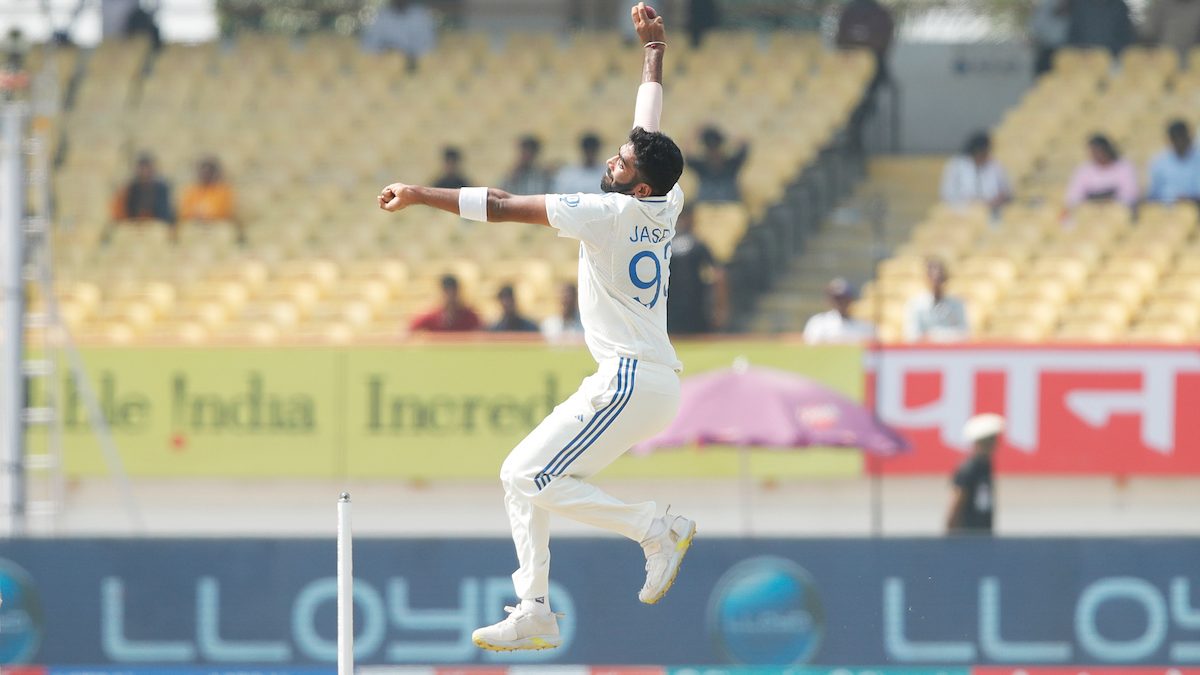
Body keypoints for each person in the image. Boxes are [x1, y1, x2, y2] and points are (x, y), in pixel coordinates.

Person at [378, 3, 694, 651]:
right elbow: (648, 133)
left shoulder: (606, 214)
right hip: (644, 379)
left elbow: (497, 204)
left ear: (635, 187)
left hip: (630, 378)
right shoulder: (664, 200)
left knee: (533, 476)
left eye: (621, 163)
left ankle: (652, 526)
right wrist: (654, 53)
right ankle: (535, 608)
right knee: (524, 473)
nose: (614, 160)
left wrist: (420, 194)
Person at [666, 205, 727, 335]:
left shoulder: (665, 244)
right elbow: (719, 275)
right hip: (694, 305)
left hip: (673, 305)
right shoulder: (699, 244)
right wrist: (719, 309)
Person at [946, 413, 1003, 535]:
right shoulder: (969, 469)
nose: (995, 444)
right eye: (990, 440)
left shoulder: (986, 466)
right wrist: (949, 535)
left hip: (983, 534)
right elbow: (957, 501)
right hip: (967, 535)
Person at [940, 132, 1012, 211]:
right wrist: (967, 202)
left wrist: (999, 199)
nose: (983, 156)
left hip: (991, 212)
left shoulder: (995, 166)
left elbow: (1006, 192)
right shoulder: (956, 166)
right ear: (974, 152)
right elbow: (947, 193)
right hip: (961, 213)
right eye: (981, 153)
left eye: (986, 153)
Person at [1064, 134, 1139, 209]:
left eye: (1099, 151)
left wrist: (1108, 203)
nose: (1097, 155)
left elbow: (1130, 195)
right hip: (1090, 211)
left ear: (1107, 150)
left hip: (1115, 211)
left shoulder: (1124, 166)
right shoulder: (1084, 170)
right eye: (1093, 152)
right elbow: (1074, 196)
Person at [905, 258, 969, 343]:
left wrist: (939, 336)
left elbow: (965, 333)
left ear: (945, 278)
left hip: (952, 354)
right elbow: (912, 336)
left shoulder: (957, 304)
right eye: (932, 278)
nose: (936, 283)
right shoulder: (915, 305)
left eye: (939, 278)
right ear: (926, 278)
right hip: (924, 354)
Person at [179, 157, 242, 239]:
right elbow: (184, 211)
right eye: (203, 173)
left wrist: (209, 215)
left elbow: (227, 211)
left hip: (217, 224)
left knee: (225, 232)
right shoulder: (191, 190)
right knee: (186, 231)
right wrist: (196, 214)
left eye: (209, 173)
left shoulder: (224, 190)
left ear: (214, 174)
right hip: (195, 224)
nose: (205, 175)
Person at [109, 153, 175, 229]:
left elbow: (165, 215)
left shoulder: (162, 188)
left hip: (155, 228)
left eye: (147, 168)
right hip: (135, 228)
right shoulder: (132, 188)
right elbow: (126, 215)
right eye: (142, 168)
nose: (144, 172)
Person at [361, 0, 437, 66]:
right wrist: (386, 52)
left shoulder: (420, 17)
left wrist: (405, 57)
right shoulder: (381, 16)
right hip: (383, 67)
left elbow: (429, 49)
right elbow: (367, 48)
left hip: (413, 70)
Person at [803, 278, 875, 344]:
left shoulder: (865, 327)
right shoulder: (818, 323)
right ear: (829, 300)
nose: (840, 303)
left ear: (851, 300)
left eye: (844, 299)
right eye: (836, 299)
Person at [687, 125, 748, 203]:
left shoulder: (732, 165)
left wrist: (725, 132)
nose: (714, 153)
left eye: (716, 148)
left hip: (730, 209)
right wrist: (696, 133)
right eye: (710, 149)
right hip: (705, 209)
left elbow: (744, 143)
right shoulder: (700, 167)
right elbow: (687, 154)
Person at [1147, 119, 1200, 203]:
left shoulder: (1198, 158)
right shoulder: (1160, 162)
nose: (1179, 142)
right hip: (1166, 209)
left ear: (1188, 136)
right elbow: (1153, 194)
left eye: (1181, 137)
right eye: (1175, 138)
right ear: (1170, 139)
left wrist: (1187, 199)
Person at [408, 274, 482, 332]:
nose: (450, 296)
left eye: (453, 291)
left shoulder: (470, 316)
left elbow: (482, 334)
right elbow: (407, 331)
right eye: (446, 291)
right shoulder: (432, 316)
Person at [1066, 0, 1133, 56]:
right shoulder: (1080, 5)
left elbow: (1126, 36)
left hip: (1112, 58)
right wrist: (1079, 50)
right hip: (1083, 58)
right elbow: (1073, 34)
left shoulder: (1119, 6)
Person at [1030, 0, 1069, 76]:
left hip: (1072, 55)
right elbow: (1036, 28)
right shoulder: (1047, 5)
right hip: (1048, 53)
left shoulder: (1082, 9)